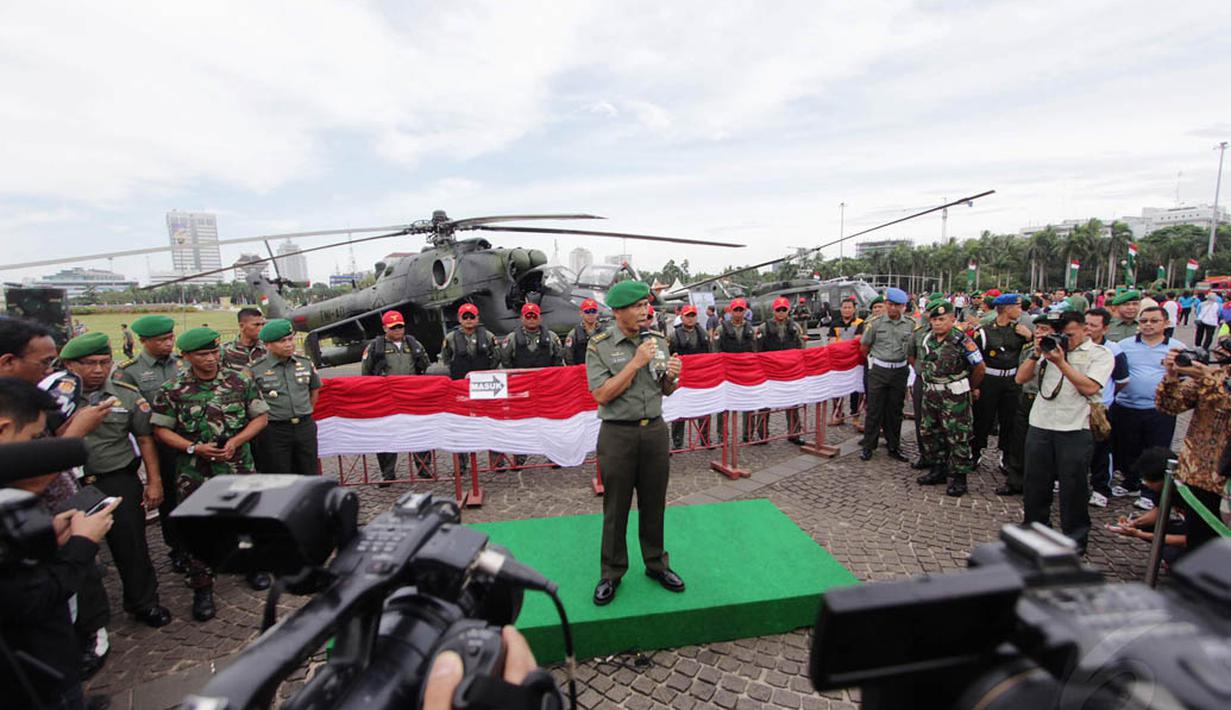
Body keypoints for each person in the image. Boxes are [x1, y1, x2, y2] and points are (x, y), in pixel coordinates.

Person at [0, 377, 119, 710]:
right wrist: (82, 543)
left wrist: (49, 535)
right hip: (28, 677)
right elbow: (31, 600)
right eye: (36, 438)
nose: (42, 449)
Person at [150, 327, 269, 621]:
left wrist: (236, 442)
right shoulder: (172, 390)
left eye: (214, 352)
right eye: (203, 354)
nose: (211, 359)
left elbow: (261, 417)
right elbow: (160, 429)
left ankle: (251, 565)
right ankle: (202, 586)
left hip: (237, 465)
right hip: (195, 471)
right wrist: (193, 448)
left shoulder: (240, 381)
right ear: (187, 356)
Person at [59, 333, 172, 628]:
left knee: (132, 545)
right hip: (72, 484)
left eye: (104, 362)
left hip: (116, 479)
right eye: (89, 363)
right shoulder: (55, 398)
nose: (98, 369)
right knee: (77, 551)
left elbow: (145, 439)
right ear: (69, 364)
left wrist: (154, 482)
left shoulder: (124, 393)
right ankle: (87, 619)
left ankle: (143, 602)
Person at [586, 280, 683, 606]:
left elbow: (664, 388)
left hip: (654, 431)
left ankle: (656, 564)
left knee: (654, 503)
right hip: (618, 435)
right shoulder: (599, 345)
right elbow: (601, 394)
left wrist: (672, 376)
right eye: (638, 306)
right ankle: (611, 572)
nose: (645, 310)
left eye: (646, 304)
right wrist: (635, 363)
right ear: (618, 312)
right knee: (616, 507)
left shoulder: (657, 340)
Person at [1015, 310, 1113, 554]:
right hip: (1041, 423)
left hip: (1075, 426)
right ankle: (1034, 530)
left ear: (1084, 330)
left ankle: (1075, 537)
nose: (1065, 339)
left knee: (1073, 486)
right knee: (1035, 484)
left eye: (1069, 334)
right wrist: (1037, 354)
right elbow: (1020, 378)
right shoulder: (1048, 349)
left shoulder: (1099, 354)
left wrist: (1061, 362)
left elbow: (1090, 387)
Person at [113, 314, 188, 571]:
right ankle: (177, 546)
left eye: (171, 338)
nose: (169, 343)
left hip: (191, 438)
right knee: (170, 497)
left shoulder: (182, 363)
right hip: (160, 444)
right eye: (161, 340)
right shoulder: (130, 371)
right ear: (144, 341)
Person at [1155, 339, 1231, 552]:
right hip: (1199, 474)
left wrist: (1208, 377)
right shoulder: (1213, 377)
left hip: (1227, 481)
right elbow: (1169, 406)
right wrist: (1172, 375)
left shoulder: (1211, 379)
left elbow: (1225, 401)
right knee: (1198, 542)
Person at [1108, 306, 1184, 508]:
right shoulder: (1124, 345)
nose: (1148, 325)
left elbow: (1185, 379)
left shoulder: (1177, 348)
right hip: (1126, 406)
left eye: (1154, 320)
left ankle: (1151, 493)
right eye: (1144, 321)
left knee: (1156, 450)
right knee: (1126, 447)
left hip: (1159, 409)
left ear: (1166, 323)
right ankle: (1130, 481)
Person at [910, 301, 985, 497]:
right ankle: (938, 469)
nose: (937, 323)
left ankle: (959, 478)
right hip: (931, 392)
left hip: (954, 396)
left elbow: (979, 366)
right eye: (934, 319)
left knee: (958, 436)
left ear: (952, 319)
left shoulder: (962, 341)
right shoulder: (928, 338)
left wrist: (973, 386)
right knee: (930, 432)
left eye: (942, 319)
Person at [362, 310, 432, 482]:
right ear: (385, 328)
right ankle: (387, 473)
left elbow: (426, 365)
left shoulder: (414, 344)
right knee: (386, 434)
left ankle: (424, 468)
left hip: (412, 396)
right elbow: (366, 374)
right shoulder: (375, 347)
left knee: (419, 432)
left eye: (400, 326)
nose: (397, 330)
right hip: (387, 398)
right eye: (393, 327)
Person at [250, 319, 321, 476]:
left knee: (309, 473)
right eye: (282, 341)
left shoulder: (305, 363)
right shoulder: (256, 369)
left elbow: (314, 390)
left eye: (291, 339)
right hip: (274, 430)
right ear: (267, 345)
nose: (289, 344)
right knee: (278, 475)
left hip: (304, 426)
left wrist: (305, 411)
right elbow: (251, 401)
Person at [970, 294, 1032, 475]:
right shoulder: (984, 331)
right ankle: (975, 452)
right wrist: (975, 385)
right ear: (1007, 308)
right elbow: (975, 360)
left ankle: (1006, 456)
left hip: (1011, 380)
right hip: (989, 379)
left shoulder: (1020, 330)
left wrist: (1030, 336)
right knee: (982, 417)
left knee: (1010, 420)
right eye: (1017, 306)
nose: (1020, 310)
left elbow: (1039, 347)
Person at [1000, 314, 1057, 495]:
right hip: (1027, 398)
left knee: (1045, 445)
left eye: (1045, 329)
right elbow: (1020, 376)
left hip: (1049, 402)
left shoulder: (1059, 351)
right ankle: (1015, 480)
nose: (1040, 333)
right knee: (1019, 441)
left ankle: (1043, 483)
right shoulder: (1028, 349)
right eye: (1038, 328)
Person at [858, 287, 913, 461]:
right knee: (874, 409)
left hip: (899, 371)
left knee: (895, 410)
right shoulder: (875, 323)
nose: (892, 308)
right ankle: (868, 446)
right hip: (879, 370)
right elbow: (864, 347)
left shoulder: (911, 325)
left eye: (897, 305)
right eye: (889, 304)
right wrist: (876, 363)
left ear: (904, 306)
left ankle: (893, 446)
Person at [1106, 447, 1187, 567]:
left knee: (1171, 555)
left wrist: (1138, 534)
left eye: (1147, 480)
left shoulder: (1189, 493)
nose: (1145, 483)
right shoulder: (1164, 487)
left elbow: (1188, 540)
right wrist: (1134, 523)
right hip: (1188, 530)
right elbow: (1158, 510)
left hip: (1205, 539)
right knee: (1148, 527)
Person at [1083, 308, 1130, 507]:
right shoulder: (1075, 346)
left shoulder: (1114, 350)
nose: (1088, 329)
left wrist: (1106, 396)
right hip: (1076, 405)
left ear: (1105, 328)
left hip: (1100, 406)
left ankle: (1101, 488)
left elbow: (1122, 380)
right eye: (1086, 324)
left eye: (1093, 325)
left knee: (1101, 449)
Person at [758, 296, 807, 445]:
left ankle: (794, 433)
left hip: (789, 371)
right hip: (769, 371)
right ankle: (762, 435)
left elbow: (801, 348)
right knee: (765, 403)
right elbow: (758, 350)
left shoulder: (795, 327)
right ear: (774, 311)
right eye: (778, 310)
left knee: (792, 403)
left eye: (783, 310)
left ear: (788, 311)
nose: (780, 312)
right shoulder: (763, 328)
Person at [713, 297, 758, 442]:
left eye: (741, 310)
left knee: (748, 403)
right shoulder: (721, 329)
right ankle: (722, 435)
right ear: (730, 311)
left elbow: (756, 350)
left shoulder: (751, 329)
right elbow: (715, 351)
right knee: (724, 404)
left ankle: (748, 433)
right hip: (727, 372)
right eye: (736, 310)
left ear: (745, 311)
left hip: (746, 371)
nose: (738, 313)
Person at [667, 303, 711, 449]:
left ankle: (705, 439)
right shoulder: (673, 336)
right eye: (688, 316)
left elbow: (709, 354)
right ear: (682, 317)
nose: (691, 319)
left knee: (704, 408)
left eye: (693, 315)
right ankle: (677, 442)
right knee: (679, 410)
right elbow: (669, 356)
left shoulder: (703, 334)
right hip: (682, 379)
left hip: (700, 377)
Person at [830, 298, 865, 426]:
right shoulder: (834, 324)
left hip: (854, 361)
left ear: (854, 309)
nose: (847, 310)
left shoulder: (860, 323)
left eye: (849, 307)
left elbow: (857, 341)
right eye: (844, 307)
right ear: (841, 309)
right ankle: (838, 413)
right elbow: (832, 342)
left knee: (855, 389)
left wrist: (842, 345)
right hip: (839, 361)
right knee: (837, 388)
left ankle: (855, 414)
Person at [563, 298, 602, 366]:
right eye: (587, 311)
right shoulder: (574, 334)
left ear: (597, 313)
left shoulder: (604, 331)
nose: (591, 314)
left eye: (593, 311)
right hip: (582, 371)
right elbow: (568, 357)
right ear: (581, 313)